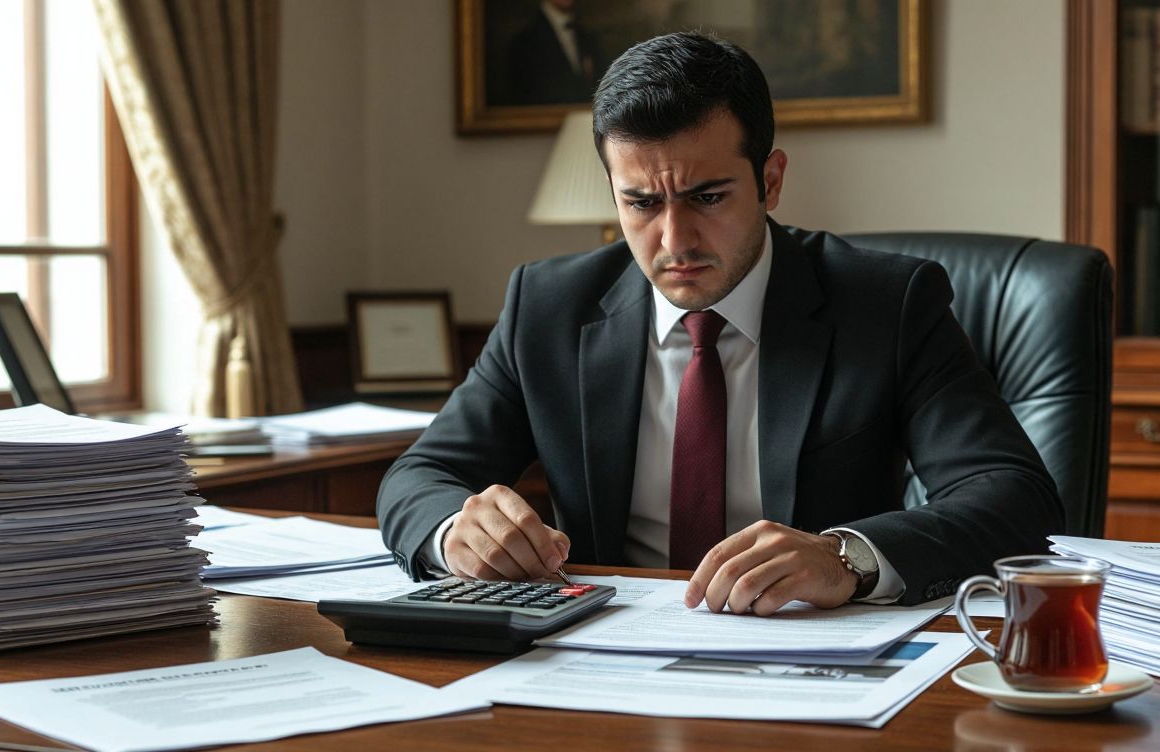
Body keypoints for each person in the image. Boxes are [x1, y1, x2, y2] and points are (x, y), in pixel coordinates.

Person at [378, 32, 1062, 616]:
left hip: (810, 655)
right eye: (641, 202)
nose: (675, 239)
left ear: (770, 182)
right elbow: (421, 475)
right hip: (602, 663)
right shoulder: (550, 306)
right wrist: (452, 533)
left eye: (707, 197)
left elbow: (1016, 499)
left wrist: (845, 557)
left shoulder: (887, 303)